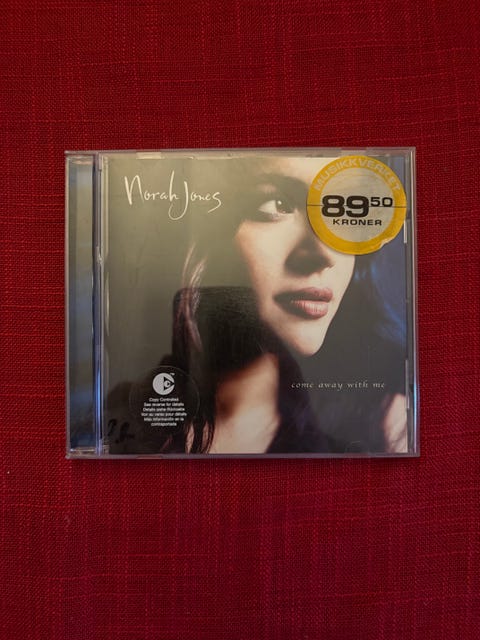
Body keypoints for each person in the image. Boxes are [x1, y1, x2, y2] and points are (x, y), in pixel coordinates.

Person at [110, 156, 408, 455]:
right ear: (202, 231)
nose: (323, 254)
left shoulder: (388, 426)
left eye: (340, 212)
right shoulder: (120, 421)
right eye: (276, 204)